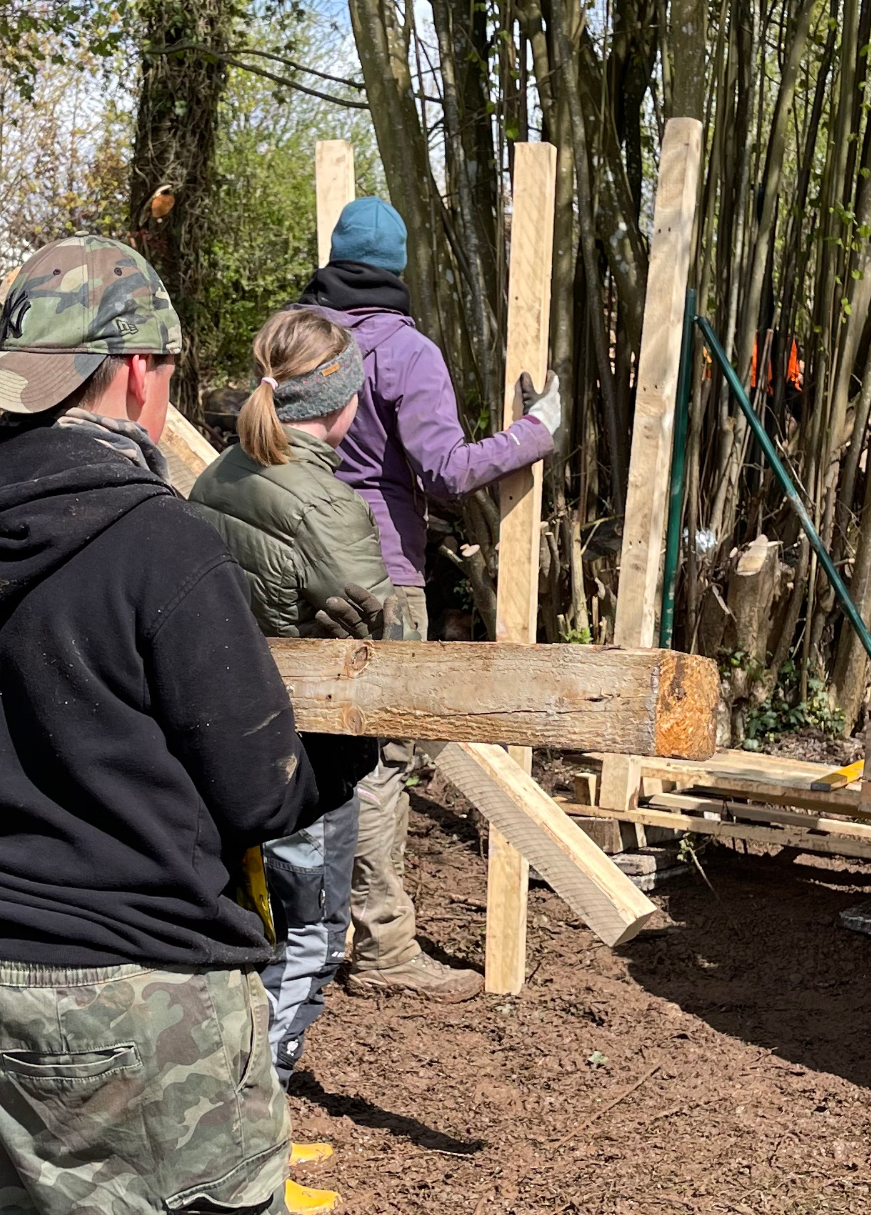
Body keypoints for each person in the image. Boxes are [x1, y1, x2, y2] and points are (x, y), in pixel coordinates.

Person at [0, 236, 367, 1215]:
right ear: (140, 369)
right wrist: (357, 731)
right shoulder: (158, 543)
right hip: (114, 986)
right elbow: (259, 793)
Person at [299, 195, 563, 1003]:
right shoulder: (407, 352)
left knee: (303, 745)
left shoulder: (295, 340)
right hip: (381, 572)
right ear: (398, 270)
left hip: (293, 563)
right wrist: (533, 433)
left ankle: (302, 927)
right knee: (379, 760)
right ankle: (381, 946)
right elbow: (445, 470)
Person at [188, 308, 389, 1215]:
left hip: (220, 752)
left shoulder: (214, 477)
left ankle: (246, 1121)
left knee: (245, 938)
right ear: (340, 402)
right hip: (307, 762)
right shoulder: (326, 503)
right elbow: (384, 635)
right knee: (308, 933)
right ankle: (248, 1160)